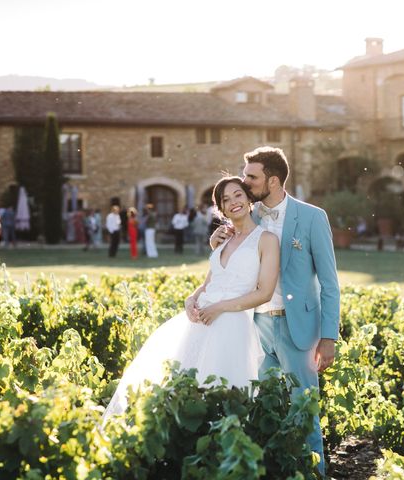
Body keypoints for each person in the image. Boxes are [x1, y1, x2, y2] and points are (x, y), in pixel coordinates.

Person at [102, 176, 280, 422]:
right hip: (199, 323)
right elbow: (209, 283)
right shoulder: (222, 241)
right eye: (225, 200)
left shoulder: (266, 240)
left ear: (250, 199)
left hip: (232, 326)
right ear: (221, 208)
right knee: (186, 392)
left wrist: (220, 307)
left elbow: (264, 293)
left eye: (238, 195)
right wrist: (190, 298)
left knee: (225, 395)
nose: (233, 202)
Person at [210, 146, 340, 475]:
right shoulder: (246, 220)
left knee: (303, 412)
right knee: (262, 411)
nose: (245, 181)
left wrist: (329, 337)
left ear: (273, 180)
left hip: (298, 331)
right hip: (256, 328)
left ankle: (315, 474)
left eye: (251, 177)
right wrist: (218, 242)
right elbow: (231, 266)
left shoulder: (312, 217)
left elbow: (330, 282)